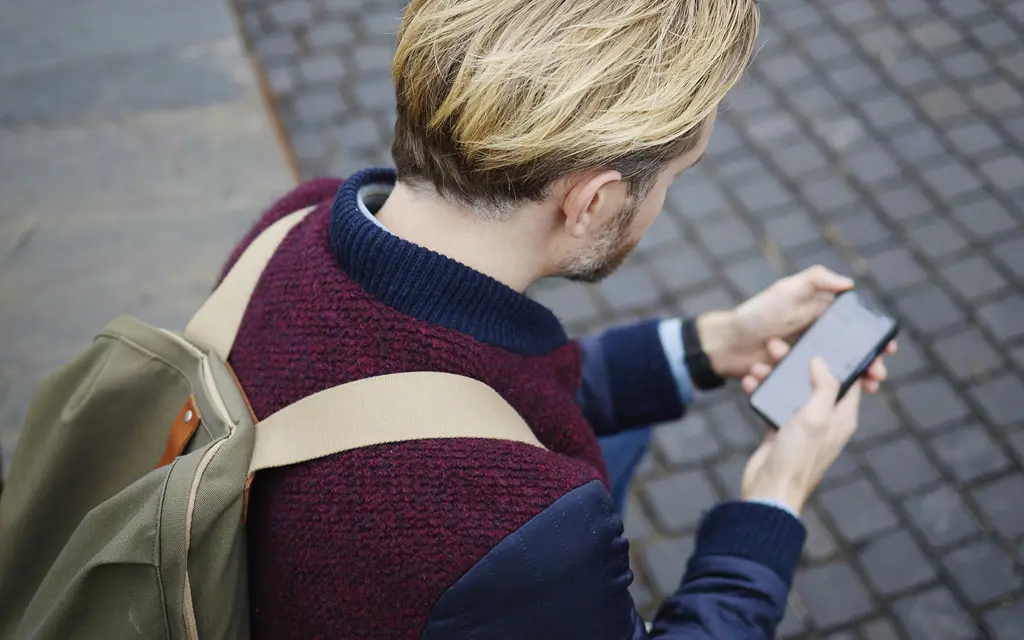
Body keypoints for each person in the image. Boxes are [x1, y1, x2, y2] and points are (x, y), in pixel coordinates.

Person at [227, 0, 895, 637]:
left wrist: (712, 345)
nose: (664, 198)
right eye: (673, 177)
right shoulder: (524, 522)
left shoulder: (294, 223)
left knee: (626, 439)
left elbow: (502, 391)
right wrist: (773, 500)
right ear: (595, 202)